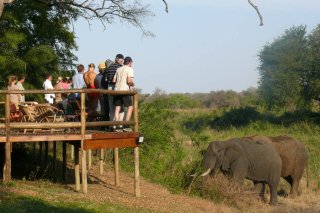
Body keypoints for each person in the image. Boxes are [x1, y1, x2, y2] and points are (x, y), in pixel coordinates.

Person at [113, 56, 135, 132]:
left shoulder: (118, 69)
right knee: (130, 107)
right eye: (131, 62)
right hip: (124, 91)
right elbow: (129, 81)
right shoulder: (130, 69)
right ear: (129, 62)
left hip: (116, 90)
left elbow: (114, 80)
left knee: (117, 108)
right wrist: (132, 84)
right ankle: (126, 125)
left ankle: (116, 126)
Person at [102, 54, 124, 122]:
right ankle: (119, 123)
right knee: (119, 106)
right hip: (117, 87)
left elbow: (106, 78)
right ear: (118, 59)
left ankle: (112, 124)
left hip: (110, 87)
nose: (122, 61)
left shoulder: (109, 67)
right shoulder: (120, 67)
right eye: (121, 60)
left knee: (111, 106)